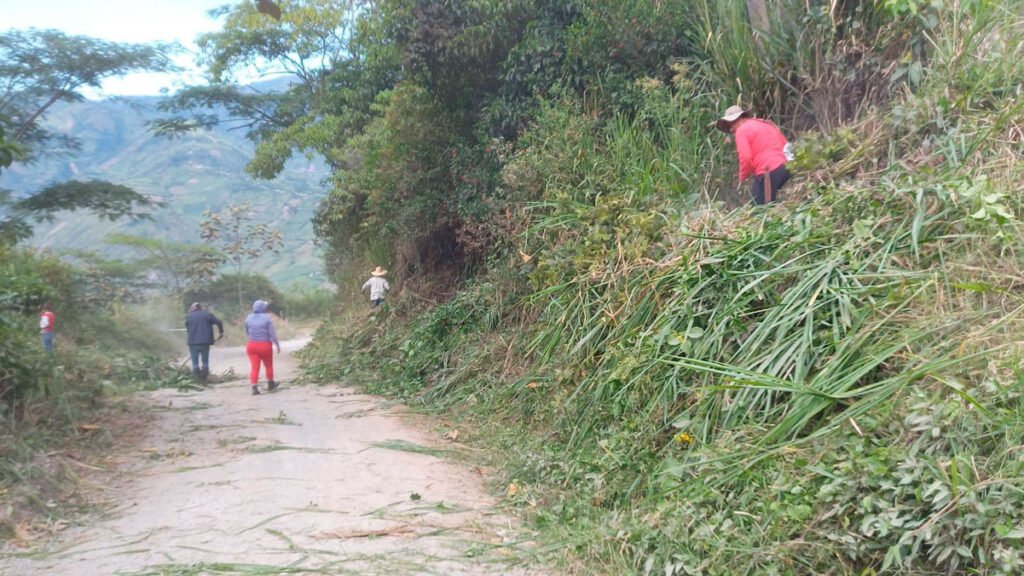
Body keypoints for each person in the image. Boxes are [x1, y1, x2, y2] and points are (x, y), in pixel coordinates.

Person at [716, 105, 791, 205]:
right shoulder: (766, 124)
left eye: (730, 126)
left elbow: (746, 157)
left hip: (769, 171)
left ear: (735, 121)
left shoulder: (742, 130)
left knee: (758, 209)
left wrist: (743, 177)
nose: (731, 130)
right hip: (786, 167)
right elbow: (786, 145)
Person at [245, 299, 281, 395]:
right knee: (268, 365)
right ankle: (270, 383)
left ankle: (254, 387)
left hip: (251, 345)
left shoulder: (248, 317)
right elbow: (272, 334)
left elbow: (247, 331)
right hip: (264, 345)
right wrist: (277, 345)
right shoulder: (267, 318)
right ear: (263, 308)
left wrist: (252, 338)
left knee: (254, 367)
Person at [185, 302, 224, 382]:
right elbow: (219, 322)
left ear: (193, 308)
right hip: (205, 342)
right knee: (205, 361)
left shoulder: (189, 316)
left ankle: (197, 379)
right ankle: (204, 378)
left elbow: (187, 328)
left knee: (195, 362)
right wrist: (221, 332)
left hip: (193, 343)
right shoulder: (207, 315)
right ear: (200, 308)